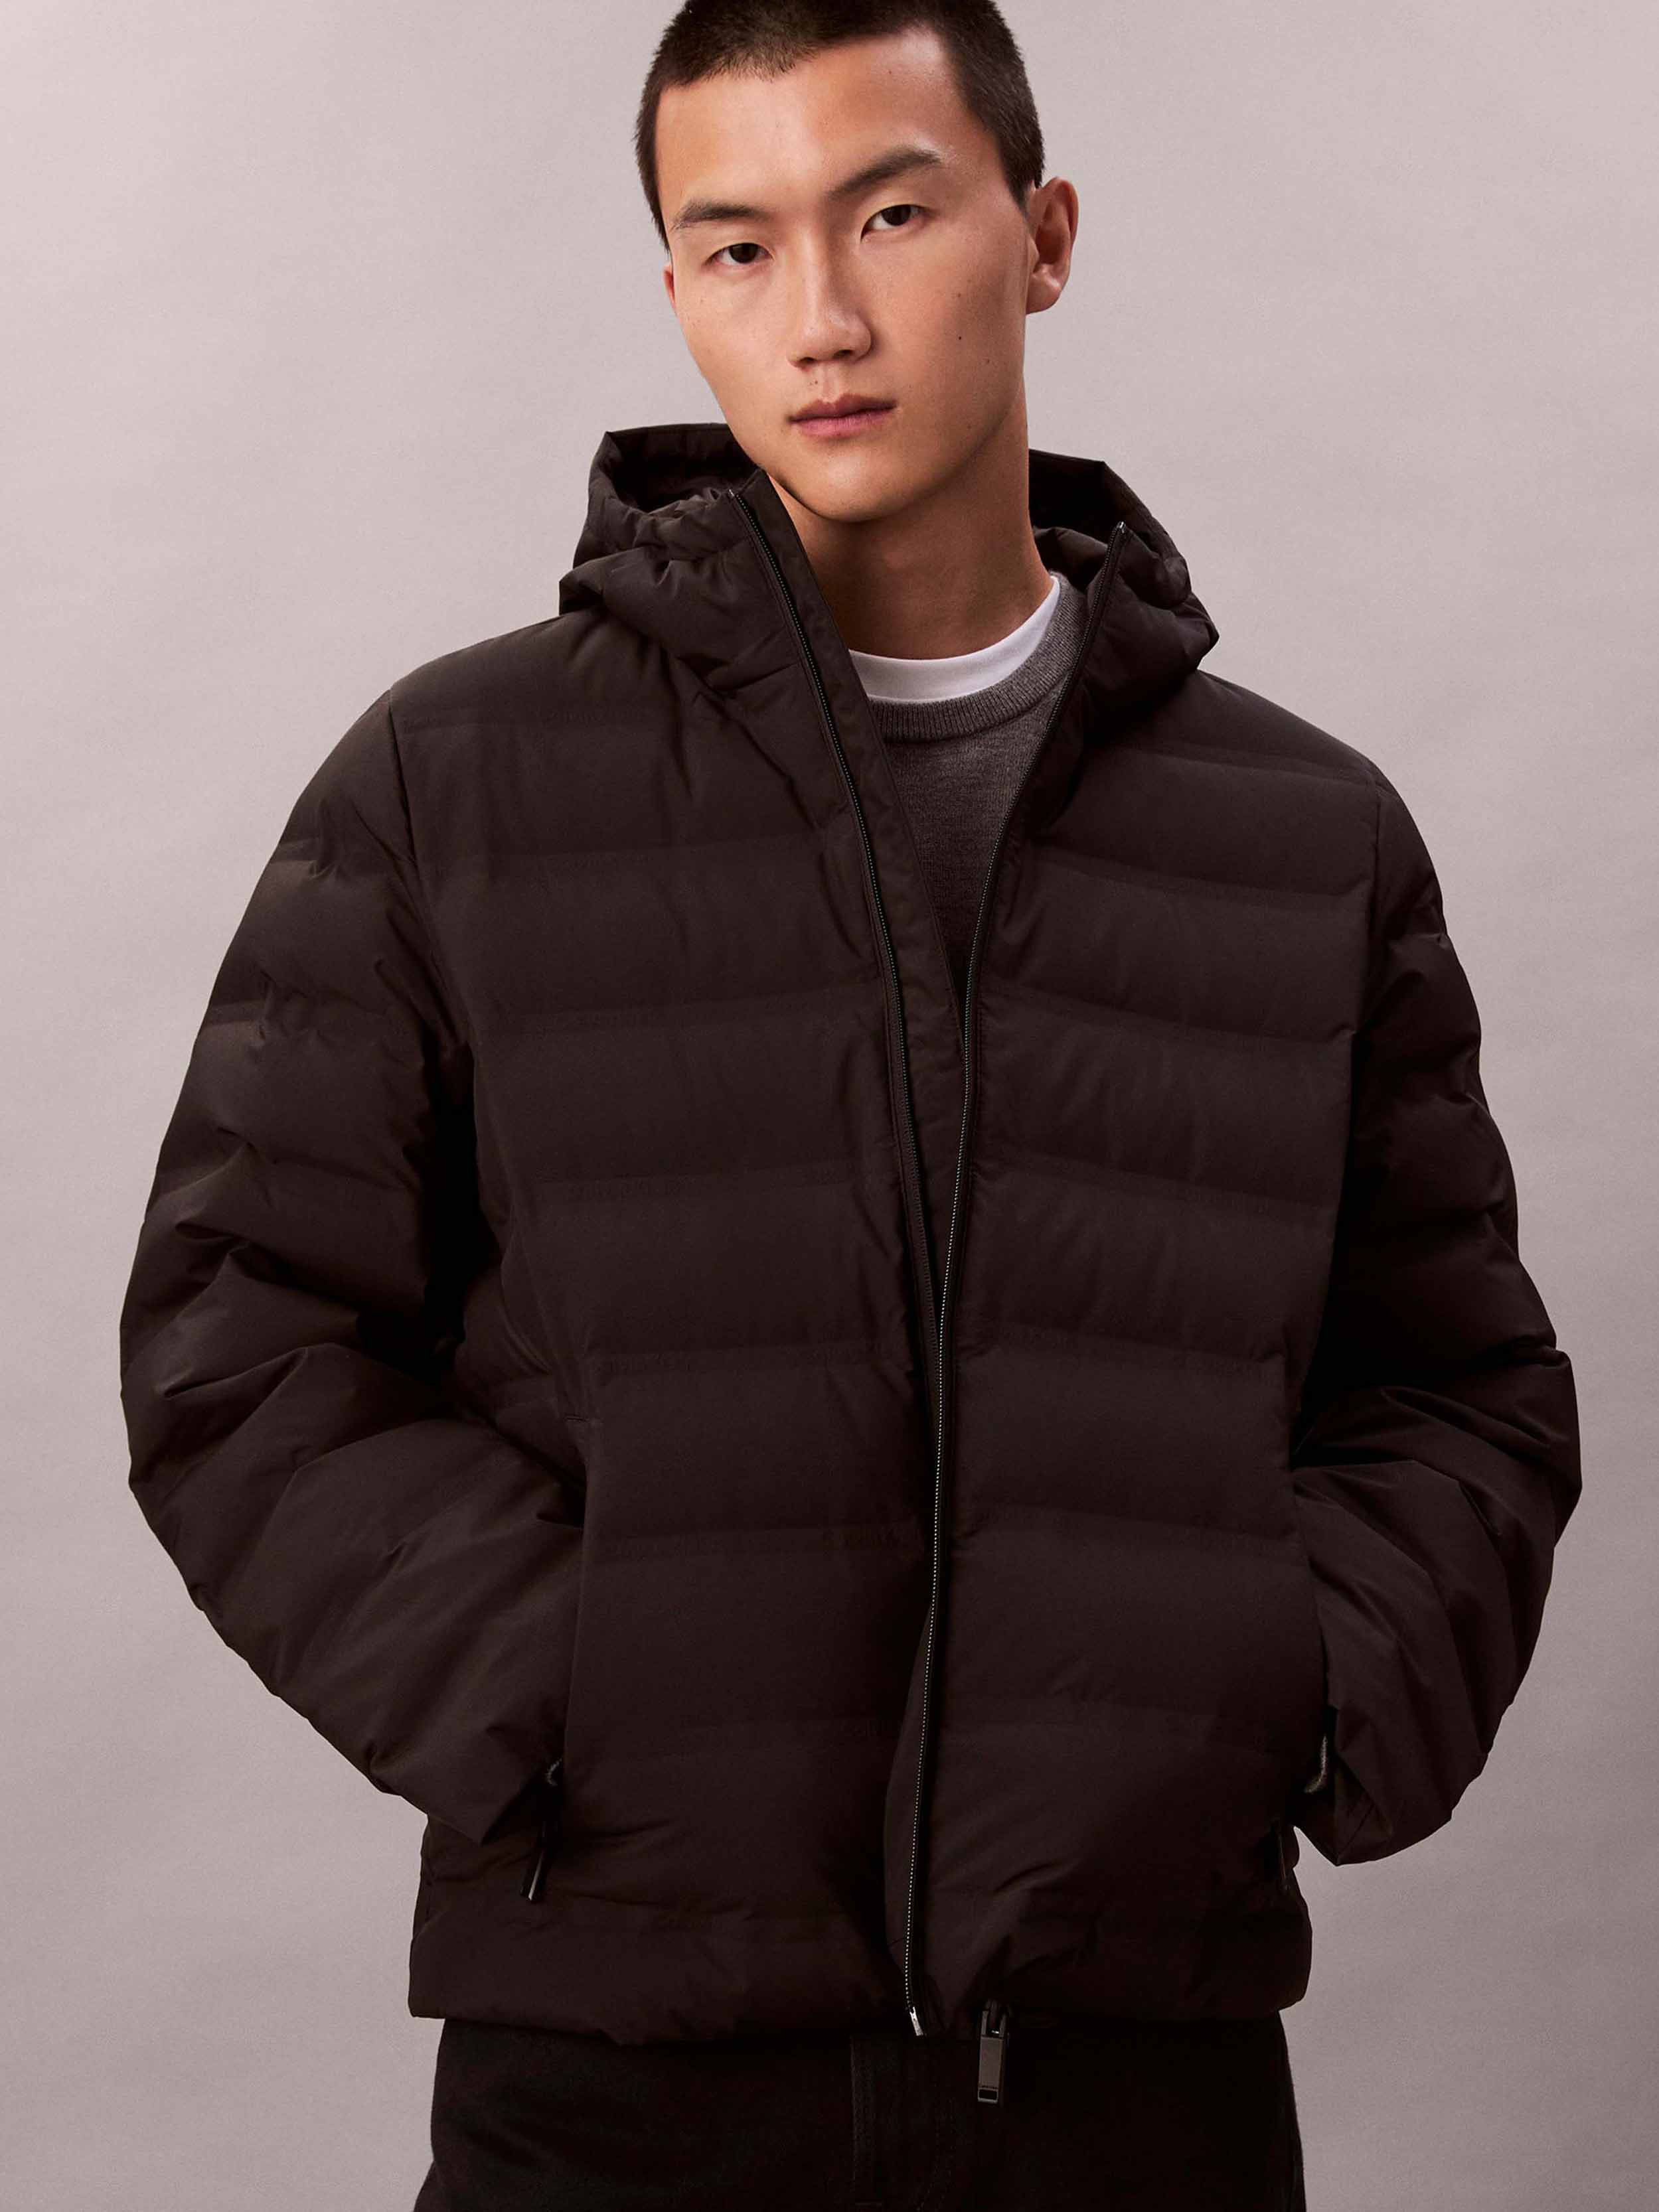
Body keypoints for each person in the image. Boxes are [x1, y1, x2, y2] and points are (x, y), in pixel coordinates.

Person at [116, 3, 1582, 2206]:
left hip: (1131, 2083)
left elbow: (1456, 1383)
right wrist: (563, 1689)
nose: (816, 315)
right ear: (677, 290)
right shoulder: (456, 784)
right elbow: (238, 1328)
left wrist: (1274, 1692)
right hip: (613, 2077)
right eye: (735, 246)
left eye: (889, 216)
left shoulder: (1303, 838)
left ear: (1041, 235)